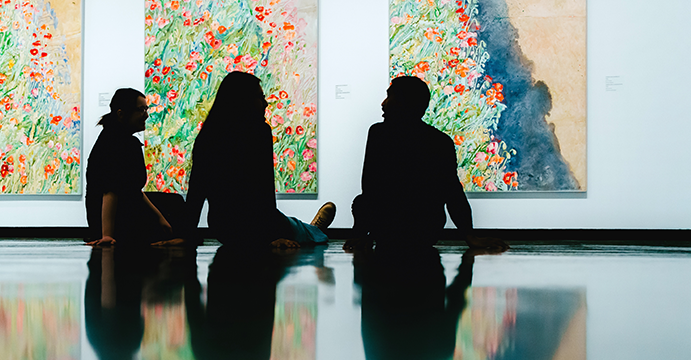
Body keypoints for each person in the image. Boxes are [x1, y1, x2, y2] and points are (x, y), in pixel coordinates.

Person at [161, 72, 334, 248]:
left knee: (290, 225)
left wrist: (185, 234)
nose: (266, 103)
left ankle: (311, 229)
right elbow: (264, 188)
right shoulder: (259, 132)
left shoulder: (208, 136)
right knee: (297, 230)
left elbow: (197, 190)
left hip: (223, 228)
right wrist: (269, 236)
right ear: (243, 100)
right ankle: (314, 229)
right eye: (260, 97)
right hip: (256, 225)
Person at [344, 76, 507, 251]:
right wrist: (470, 236)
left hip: (391, 228)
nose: (383, 103)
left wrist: (360, 233)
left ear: (404, 103)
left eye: (390, 97)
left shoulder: (379, 134)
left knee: (361, 202)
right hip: (425, 229)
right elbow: (452, 192)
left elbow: (370, 188)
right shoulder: (439, 141)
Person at [85, 88, 175, 246]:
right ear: (121, 114)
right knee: (174, 207)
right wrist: (107, 235)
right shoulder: (116, 143)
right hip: (117, 219)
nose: (146, 115)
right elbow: (110, 191)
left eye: (146, 109)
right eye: (141, 110)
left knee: (172, 204)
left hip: (117, 212)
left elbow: (132, 190)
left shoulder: (118, 138)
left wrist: (160, 217)